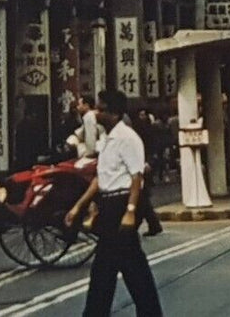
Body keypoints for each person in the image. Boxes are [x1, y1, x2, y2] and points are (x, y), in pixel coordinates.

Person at [65, 88, 164, 316]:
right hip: (110, 204)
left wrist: (130, 211)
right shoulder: (108, 140)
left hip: (122, 203)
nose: (96, 113)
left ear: (114, 113)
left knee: (106, 267)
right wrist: (79, 205)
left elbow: (136, 177)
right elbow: (101, 178)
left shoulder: (127, 138)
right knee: (129, 266)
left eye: (100, 109)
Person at [75, 92, 105, 159]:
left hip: (97, 150)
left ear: (86, 106)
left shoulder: (89, 116)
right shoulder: (94, 114)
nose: (77, 107)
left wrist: (89, 154)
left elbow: (90, 136)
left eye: (79, 105)